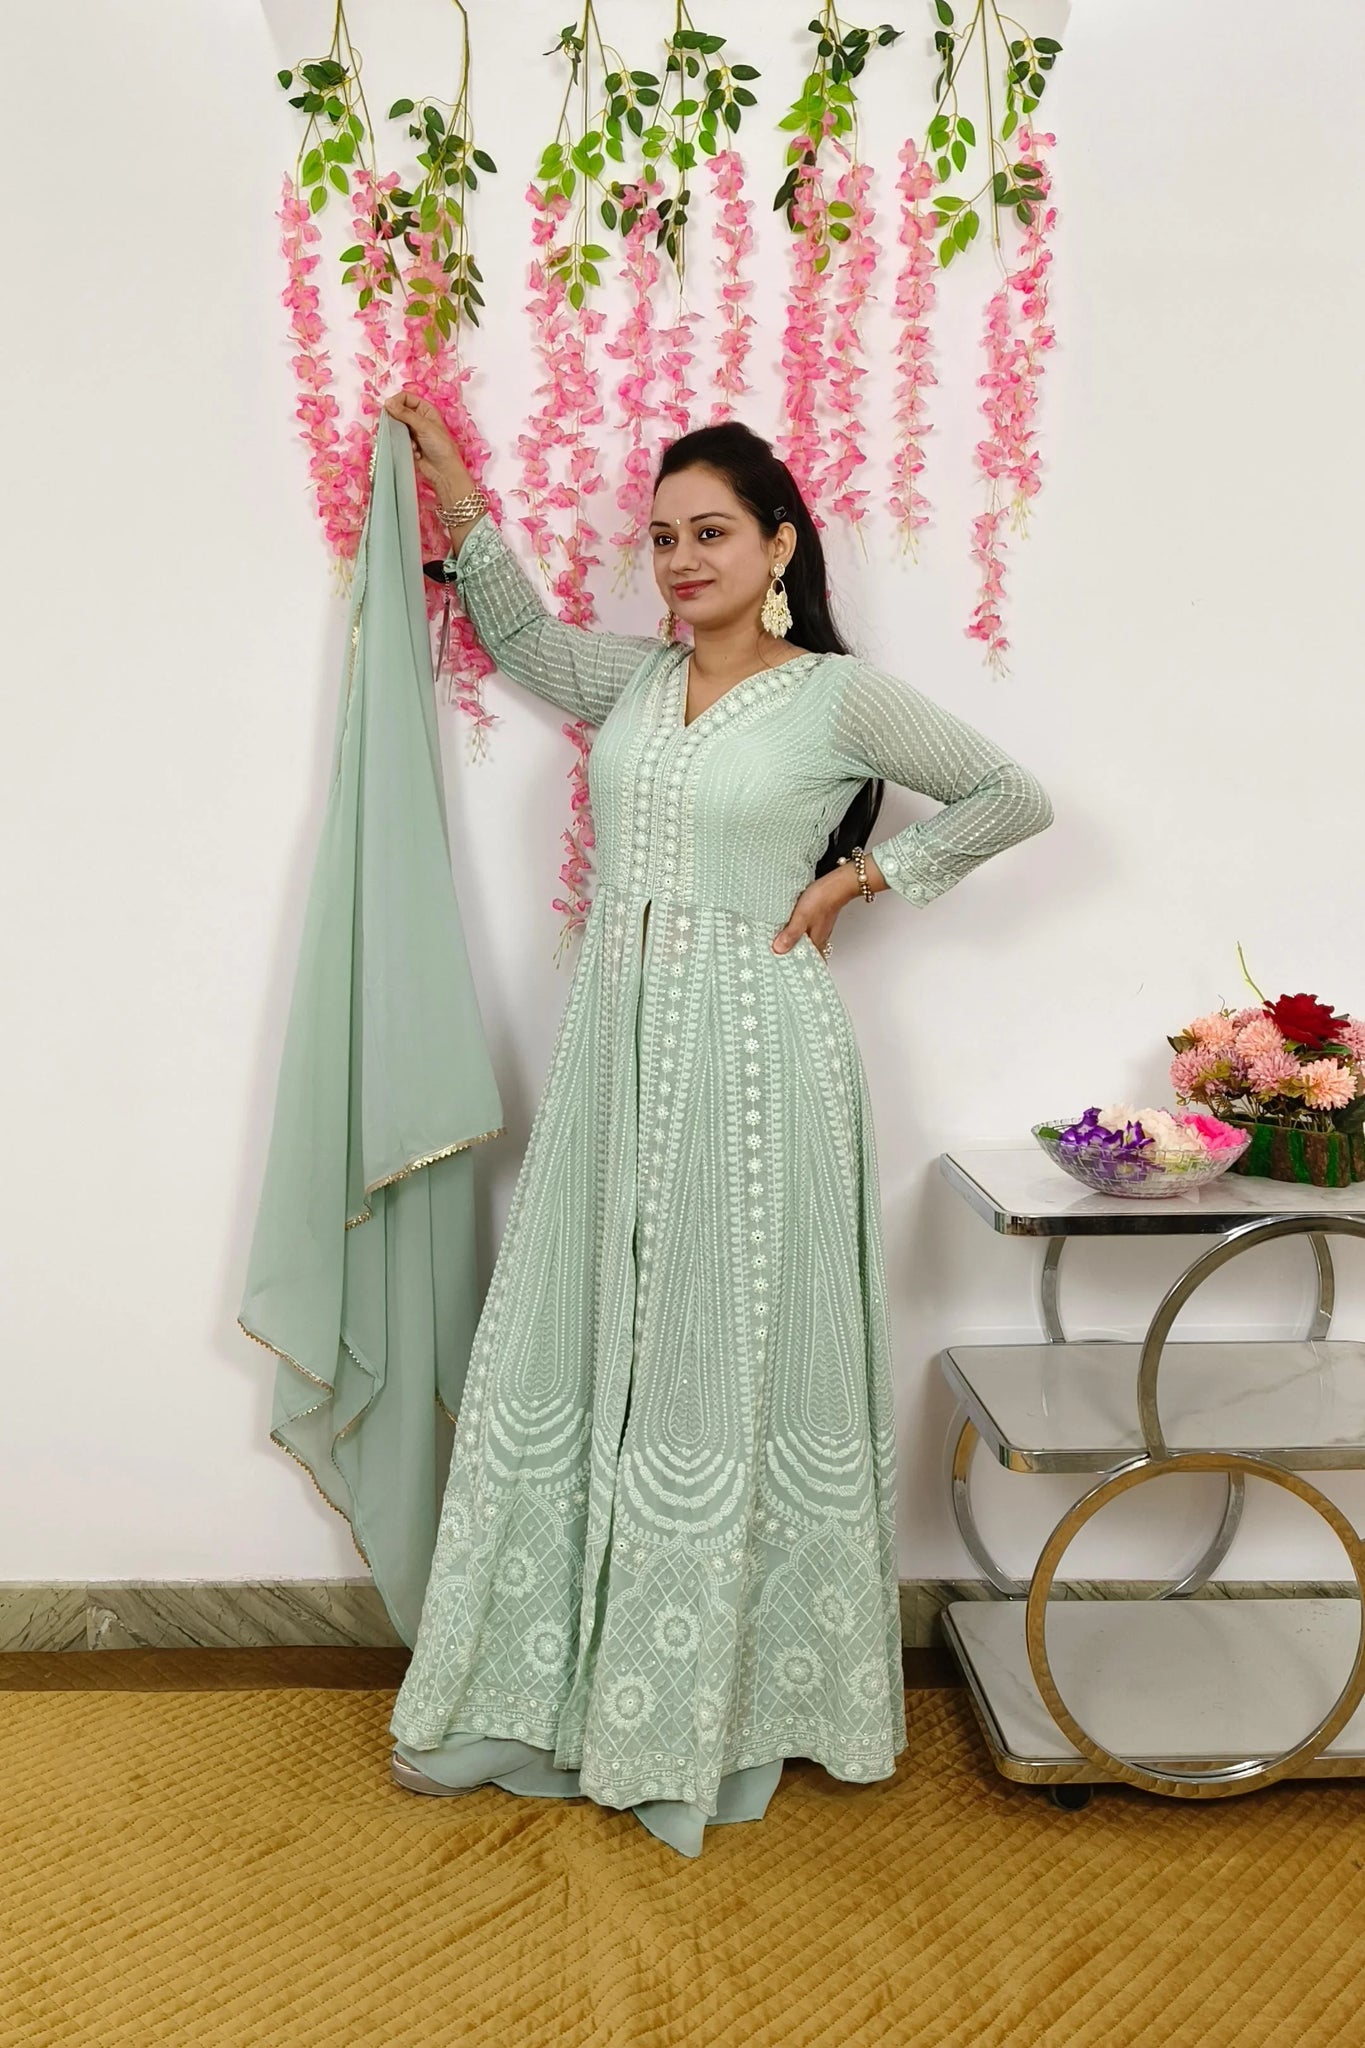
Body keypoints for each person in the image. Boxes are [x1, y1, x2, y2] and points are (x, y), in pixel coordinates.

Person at [382, 387, 1054, 1857]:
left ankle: (709, 1701)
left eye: (711, 534)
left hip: (759, 1063)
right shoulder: (633, 678)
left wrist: (863, 878)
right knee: (583, 1325)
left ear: (779, 544)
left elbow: (1009, 795)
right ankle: (547, 1680)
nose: (682, 560)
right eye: (663, 538)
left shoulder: (837, 698)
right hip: (614, 1054)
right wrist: (453, 483)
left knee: (718, 1342)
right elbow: (519, 636)